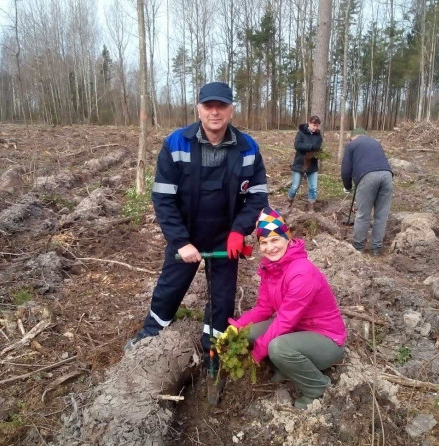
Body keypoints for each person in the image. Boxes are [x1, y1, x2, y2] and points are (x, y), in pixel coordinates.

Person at [125, 82, 268, 403]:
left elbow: (258, 195)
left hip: (225, 237)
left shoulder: (247, 148)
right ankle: (150, 333)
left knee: (223, 297)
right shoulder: (177, 143)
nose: (214, 112)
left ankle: (213, 348)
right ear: (199, 108)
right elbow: (163, 198)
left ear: (232, 109)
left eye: (221, 106)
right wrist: (180, 242)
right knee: (170, 288)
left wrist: (239, 230)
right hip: (187, 235)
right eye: (208, 106)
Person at [228, 207, 346, 410]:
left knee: (277, 347)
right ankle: (287, 366)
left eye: (275, 240)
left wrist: (258, 353)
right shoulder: (271, 268)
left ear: (288, 238)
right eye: (264, 242)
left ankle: (316, 387)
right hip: (297, 328)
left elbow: (284, 321)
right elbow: (264, 307)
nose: (269, 247)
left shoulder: (301, 273)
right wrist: (236, 327)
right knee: (248, 332)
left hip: (326, 338)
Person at [341, 127, 393, 256]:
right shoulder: (375, 142)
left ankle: (358, 248)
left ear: (353, 137)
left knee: (363, 215)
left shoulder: (351, 145)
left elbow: (346, 170)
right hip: (387, 176)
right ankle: (376, 249)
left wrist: (348, 186)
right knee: (381, 216)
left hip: (367, 177)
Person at [288, 115, 323, 212]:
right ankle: (288, 203)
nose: (315, 127)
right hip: (299, 163)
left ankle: (311, 206)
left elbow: (318, 147)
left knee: (313, 187)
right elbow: (297, 145)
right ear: (309, 123)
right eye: (314, 125)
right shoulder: (301, 133)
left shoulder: (318, 136)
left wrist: (316, 152)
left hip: (312, 164)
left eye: (317, 126)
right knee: (295, 186)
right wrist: (310, 147)